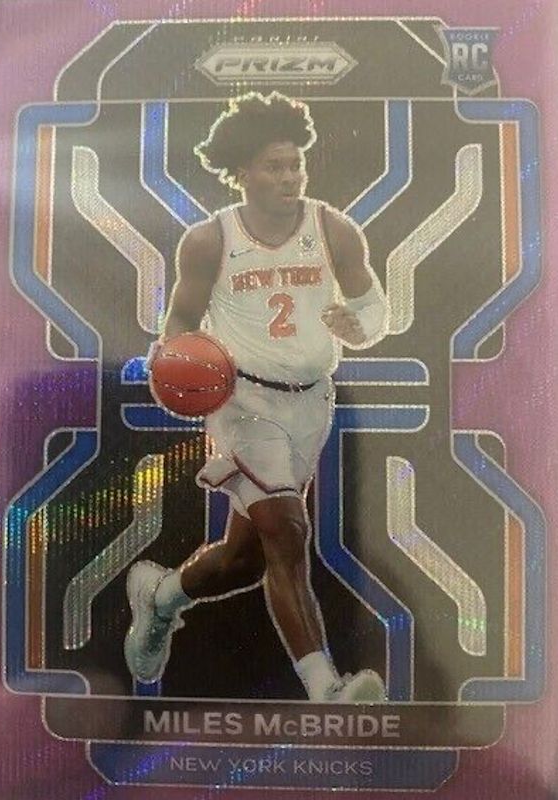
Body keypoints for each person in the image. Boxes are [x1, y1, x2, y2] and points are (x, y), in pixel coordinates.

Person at [124, 91, 389, 703]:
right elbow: (181, 324)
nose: (290, 176)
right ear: (242, 170)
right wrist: (177, 367)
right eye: (275, 166)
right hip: (243, 406)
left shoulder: (333, 228)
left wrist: (361, 325)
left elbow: (373, 304)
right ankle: (326, 687)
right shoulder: (209, 240)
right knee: (288, 532)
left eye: (296, 164)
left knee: (244, 560)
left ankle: (160, 596)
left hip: (311, 403)